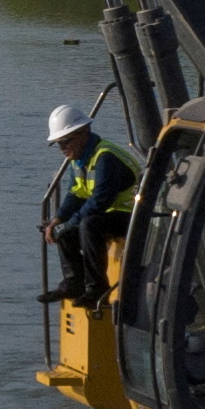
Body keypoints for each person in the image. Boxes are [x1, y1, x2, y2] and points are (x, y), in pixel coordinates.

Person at [39, 104, 140, 306]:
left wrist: (68, 224)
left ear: (83, 134)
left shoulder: (105, 157)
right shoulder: (80, 161)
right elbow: (76, 194)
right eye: (58, 144)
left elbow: (99, 201)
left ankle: (97, 288)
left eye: (65, 142)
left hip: (134, 215)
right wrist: (57, 221)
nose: (62, 149)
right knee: (65, 230)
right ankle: (74, 283)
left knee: (88, 224)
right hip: (110, 214)